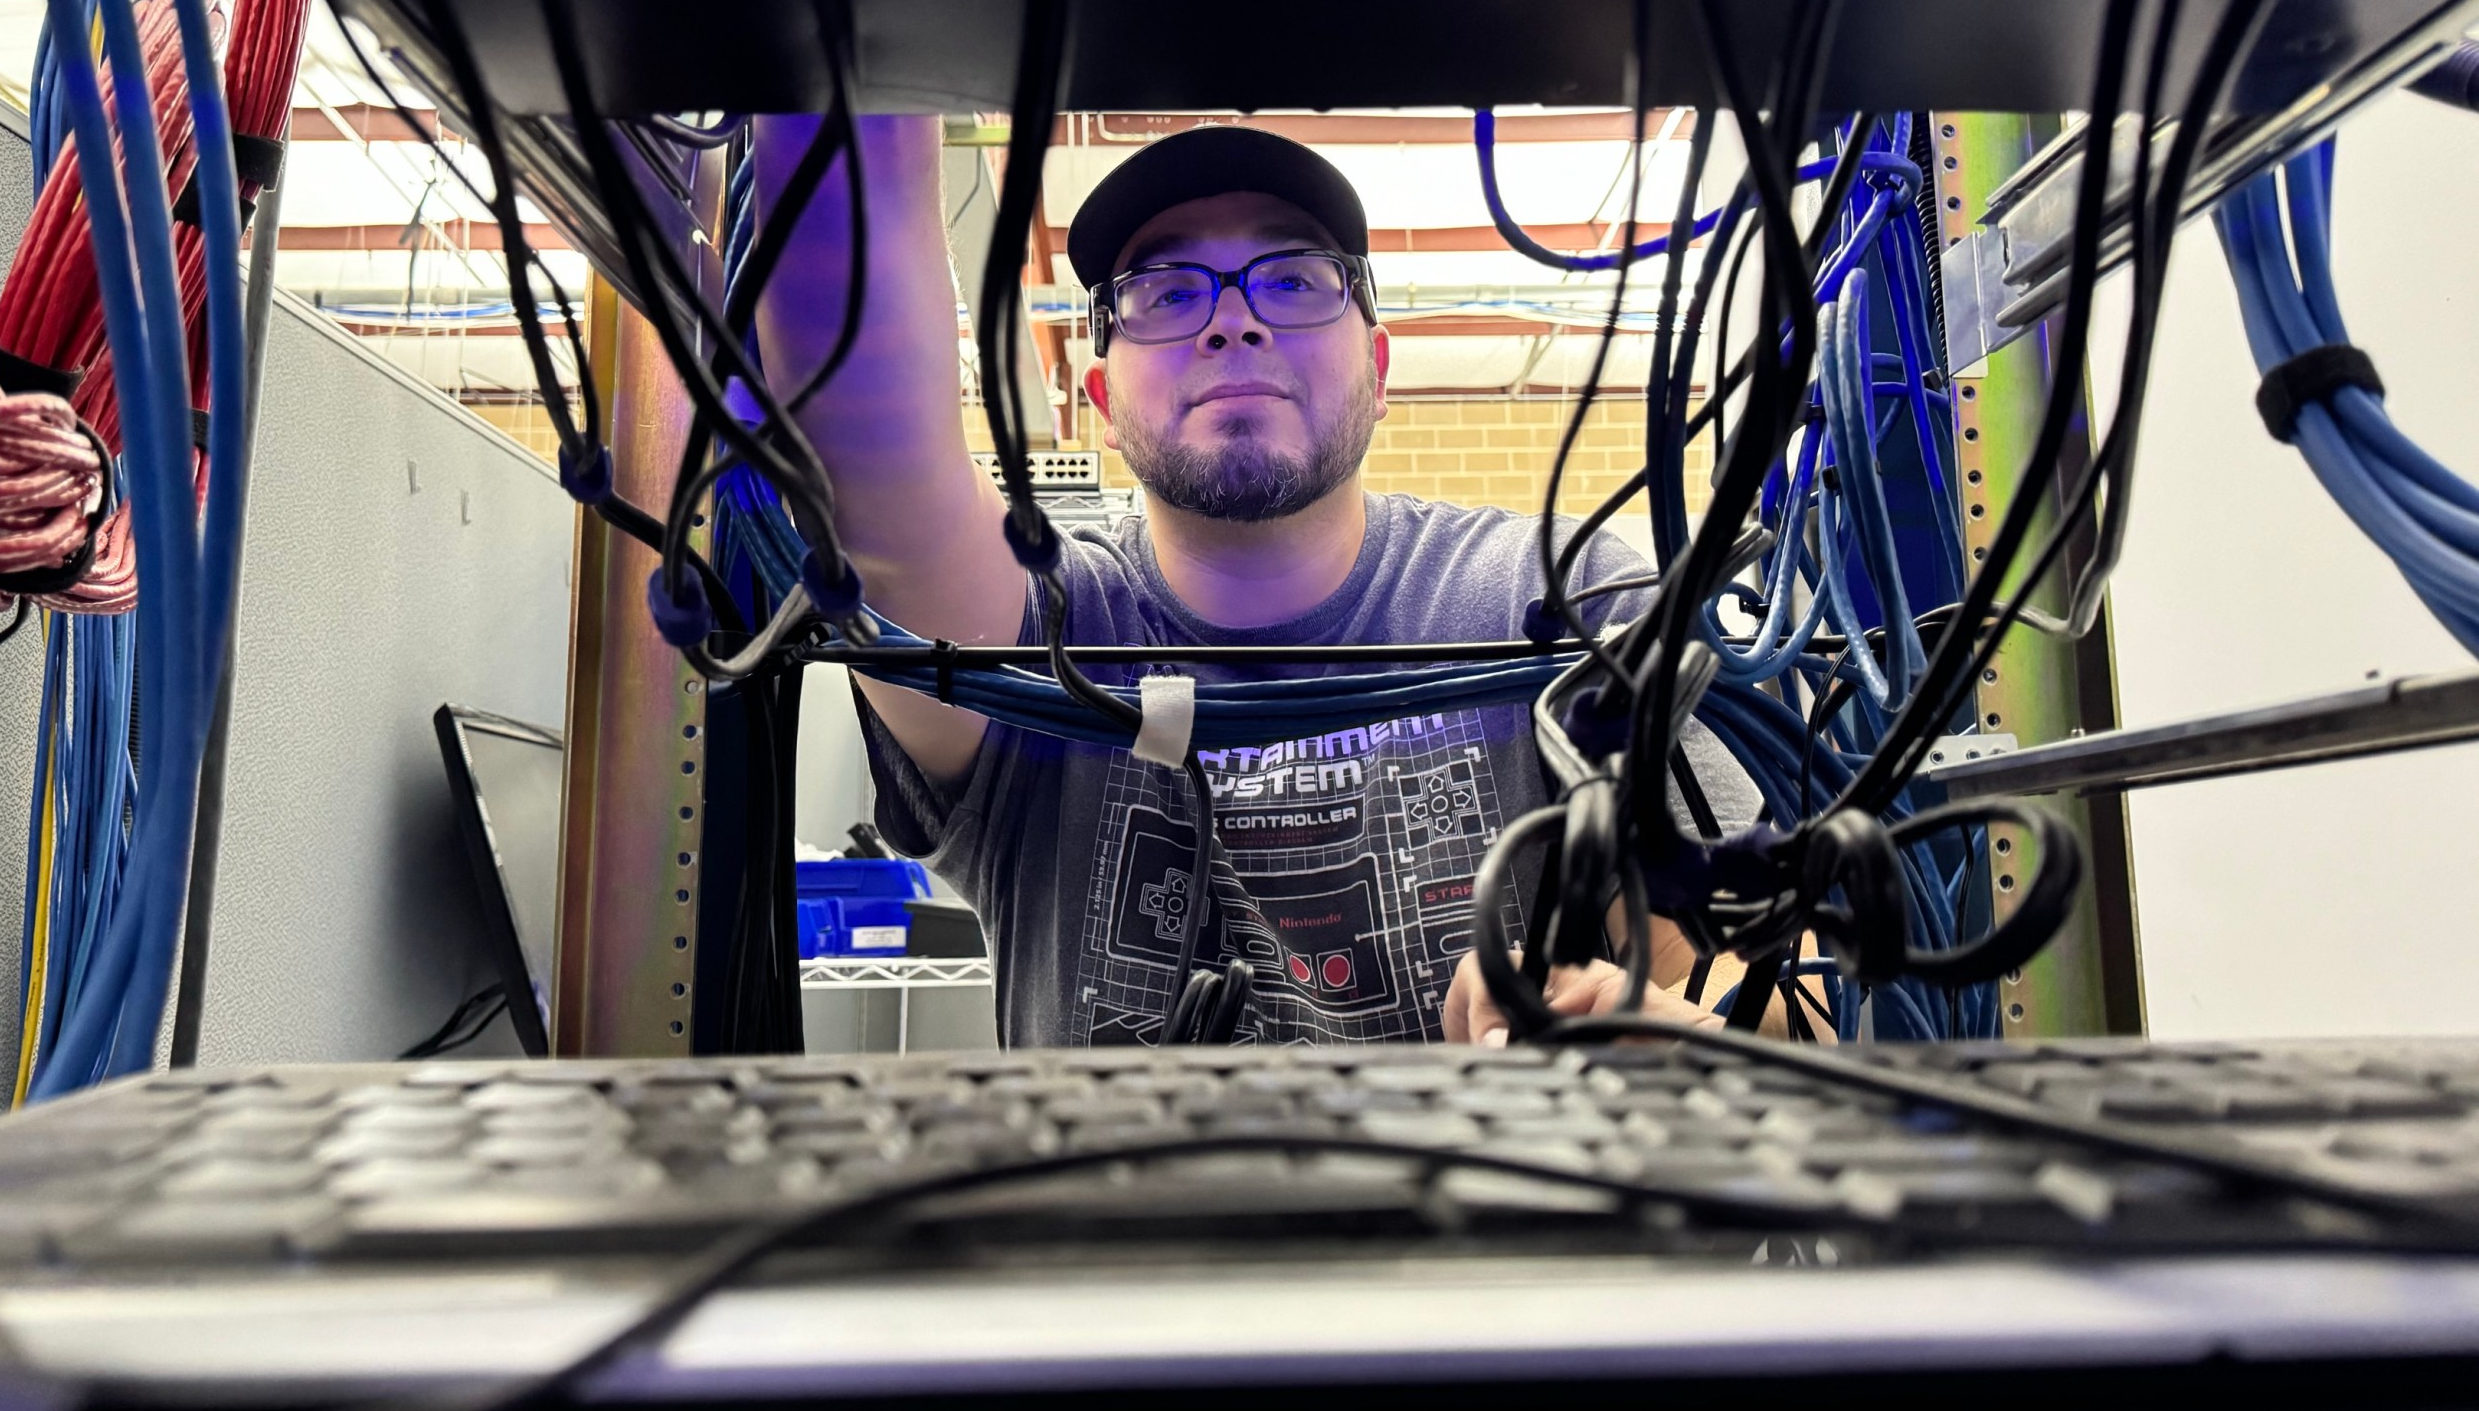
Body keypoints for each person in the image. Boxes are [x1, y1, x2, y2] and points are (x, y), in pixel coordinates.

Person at [757, 115, 1780, 1048]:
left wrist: (1668, 1028)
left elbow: (1774, 983)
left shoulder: (1564, 597)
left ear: (1378, 372)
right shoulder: (1042, 634)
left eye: (1292, 279)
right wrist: (872, 18)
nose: (1232, 322)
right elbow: (862, 437)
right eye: (1166, 290)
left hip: (1496, 1249)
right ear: (1104, 398)